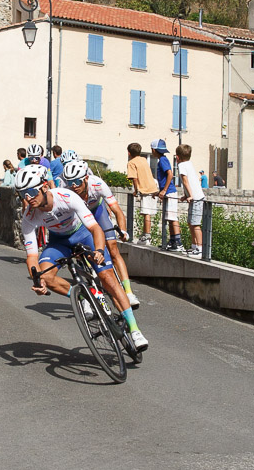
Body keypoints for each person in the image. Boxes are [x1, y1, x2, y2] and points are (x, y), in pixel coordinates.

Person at [15, 165, 148, 351]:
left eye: (30, 192)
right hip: (58, 242)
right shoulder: (29, 216)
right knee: (45, 276)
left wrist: (100, 251)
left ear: (44, 186)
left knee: (108, 278)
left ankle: (134, 330)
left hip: (82, 233)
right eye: (22, 194)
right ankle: (85, 296)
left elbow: (95, 229)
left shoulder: (66, 197)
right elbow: (31, 256)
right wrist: (37, 280)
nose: (27, 198)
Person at [62, 158, 140, 308]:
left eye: (77, 182)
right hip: (80, 217)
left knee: (113, 248)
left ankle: (129, 292)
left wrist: (123, 230)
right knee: (83, 251)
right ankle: (90, 287)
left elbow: (117, 209)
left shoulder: (97, 184)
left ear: (85, 178)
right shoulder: (67, 189)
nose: (74, 186)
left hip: (97, 211)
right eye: (70, 182)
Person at [151, 138, 183, 252]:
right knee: (169, 217)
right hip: (167, 192)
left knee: (172, 217)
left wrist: (164, 190)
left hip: (169, 192)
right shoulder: (162, 159)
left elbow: (170, 174)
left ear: (154, 150)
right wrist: (159, 191)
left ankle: (178, 242)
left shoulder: (163, 160)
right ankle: (173, 240)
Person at [126, 142, 159, 246]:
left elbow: (134, 178)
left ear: (129, 153)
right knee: (148, 213)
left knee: (146, 213)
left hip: (145, 189)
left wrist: (136, 190)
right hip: (153, 187)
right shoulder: (144, 159)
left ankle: (147, 236)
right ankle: (147, 234)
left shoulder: (131, 163)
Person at [175, 143, 204, 257]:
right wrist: (186, 195)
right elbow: (190, 181)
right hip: (195, 197)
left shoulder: (181, 165)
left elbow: (185, 181)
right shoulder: (189, 163)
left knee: (195, 224)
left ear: (177, 157)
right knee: (190, 222)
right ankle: (194, 246)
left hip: (195, 198)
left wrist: (190, 195)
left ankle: (199, 248)